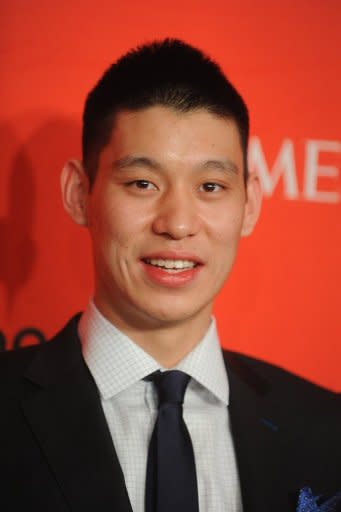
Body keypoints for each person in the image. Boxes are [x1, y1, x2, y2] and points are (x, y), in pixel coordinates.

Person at [0, 39, 340, 512]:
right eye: (143, 183)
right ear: (80, 193)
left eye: (210, 186)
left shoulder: (326, 428)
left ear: (250, 204)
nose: (178, 223)